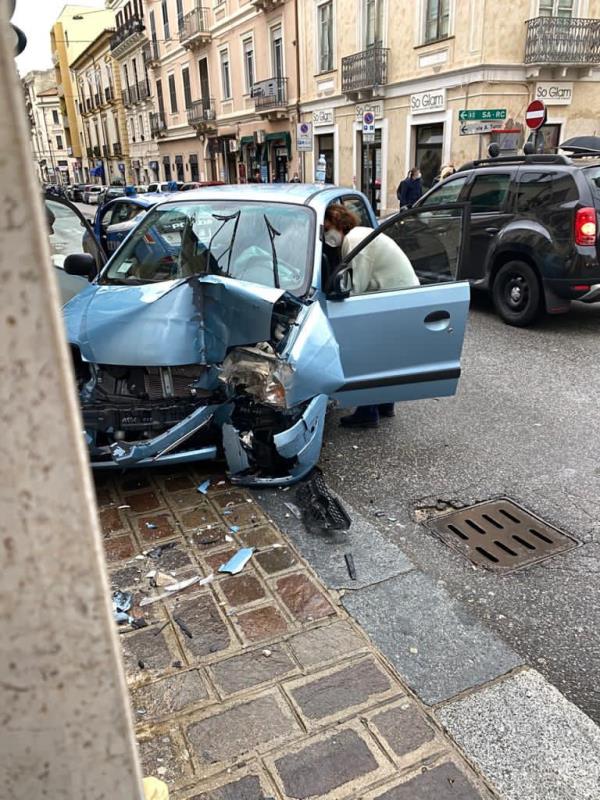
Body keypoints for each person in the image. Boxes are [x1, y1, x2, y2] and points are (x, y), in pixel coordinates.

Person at [324, 204, 420, 429]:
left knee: (369, 352)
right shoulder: (361, 235)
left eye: (327, 228)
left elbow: (356, 287)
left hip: (396, 298)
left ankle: (367, 412)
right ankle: (385, 403)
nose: (326, 235)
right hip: (401, 297)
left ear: (338, 223)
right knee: (386, 354)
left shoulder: (355, 240)